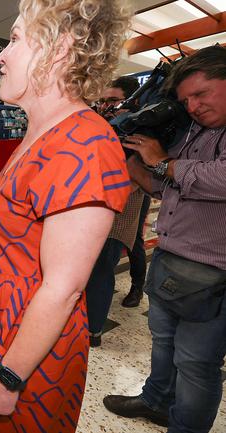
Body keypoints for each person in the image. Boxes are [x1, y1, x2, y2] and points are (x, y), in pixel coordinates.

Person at [0, 1, 132, 431]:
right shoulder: (41, 134)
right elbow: (15, 228)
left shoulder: (85, 145)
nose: (0, 55)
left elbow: (64, 287)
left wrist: (9, 377)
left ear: (59, 48)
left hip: (25, 347)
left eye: (15, 38)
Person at [103, 45, 226, 433]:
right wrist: (135, 161)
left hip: (213, 271)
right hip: (172, 257)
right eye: (186, 98)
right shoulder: (192, 133)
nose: (192, 105)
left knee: (196, 363)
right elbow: (164, 189)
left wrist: (162, 162)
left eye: (201, 94)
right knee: (162, 341)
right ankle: (155, 400)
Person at [86, 76, 147, 347]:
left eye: (113, 100)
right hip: (93, 216)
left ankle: (93, 331)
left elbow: (134, 181)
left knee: (100, 273)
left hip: (117, 219)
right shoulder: (108, 128)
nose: (106, 106)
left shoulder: (141, 134)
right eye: (104, 100)